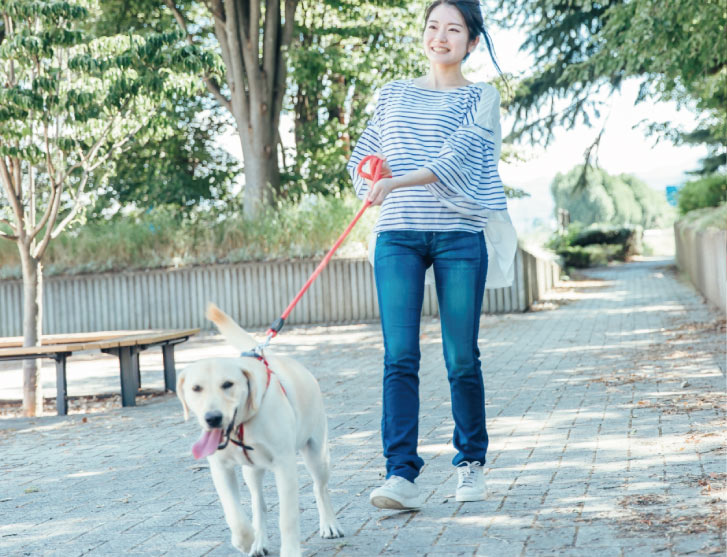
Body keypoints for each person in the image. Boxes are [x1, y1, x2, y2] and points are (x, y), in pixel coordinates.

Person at [346, 0, 517, 510]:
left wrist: (395, 180)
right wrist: (370, 176)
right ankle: (400, 475)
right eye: (432, 27)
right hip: (397, 234)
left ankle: (470, 464)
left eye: (453, 29)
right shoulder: (392, 94)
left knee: (460, 357)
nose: (439, 37)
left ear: (471, 40)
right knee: (399, 356)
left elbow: (459, 157)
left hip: (458, 236)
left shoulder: (481, 98)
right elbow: (364, 153)